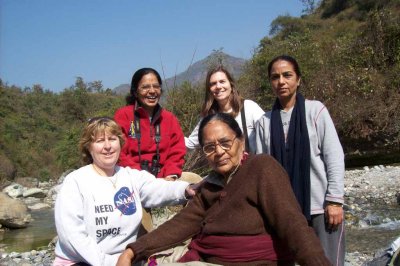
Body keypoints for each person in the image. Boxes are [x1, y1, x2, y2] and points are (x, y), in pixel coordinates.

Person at [117, 113, 331, 266]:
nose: (219, 151)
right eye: (209, 147)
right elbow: (182, 223)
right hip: (206, 256)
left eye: (225, 143)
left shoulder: (262, 167)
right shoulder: (211, 183)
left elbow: (291, 222)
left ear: (241, 141)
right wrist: (134, 249)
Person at [53, 117, 195, 266]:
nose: (108, 146)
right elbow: (73, 236)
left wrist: (186, 189)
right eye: (100, 141)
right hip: (82, 261)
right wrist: (111, 263)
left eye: (112, 139)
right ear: (89, 147)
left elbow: (158, 188)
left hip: (126, 259)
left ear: (120, 143)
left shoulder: (130, 176)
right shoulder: (75, 181)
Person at [255, 55, 345, 266]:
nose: (281, 82)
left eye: (287, 75)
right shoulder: (264, 122)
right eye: (275, 77)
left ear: (298, 79)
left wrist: (334, 200)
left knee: (328, 261)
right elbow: (260, 169)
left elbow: (334, 155)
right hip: (283, 211)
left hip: (320, 207)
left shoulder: (316, 111)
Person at [114, 67, 186, 181]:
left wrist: (170, 175)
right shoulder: (124, 115)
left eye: (156, 86)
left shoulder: (169, 118)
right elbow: (118, 151)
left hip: (164, 180)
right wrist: (140, 177)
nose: (152, 91)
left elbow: (177, 151)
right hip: (131, 179)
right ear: (135, 91)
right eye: (145, 87)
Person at [185, 65, 264, 153]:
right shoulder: (209, 117)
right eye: (213, 84)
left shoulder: (249, 107)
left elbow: (268, 133)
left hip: (253, 164)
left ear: (231, 84)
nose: (218, 86)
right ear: (209, 90)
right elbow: (189, 144)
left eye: (222, 81)